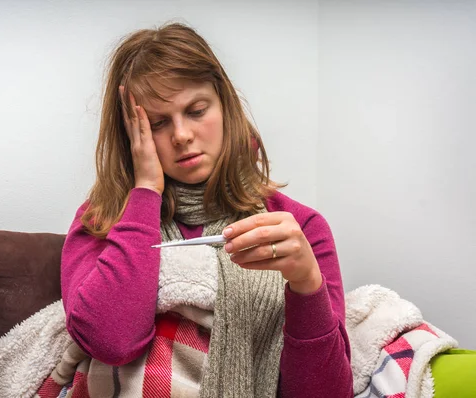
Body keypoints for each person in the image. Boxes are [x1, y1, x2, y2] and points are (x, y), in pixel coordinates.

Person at [61, 22, 353, 397]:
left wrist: (306, 282)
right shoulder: (102, 220)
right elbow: (110, 342)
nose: (181, 135)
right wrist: (146, 191)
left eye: (196, 110)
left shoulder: (300, 227)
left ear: (225, 105)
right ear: (130, 134)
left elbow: (327, 392)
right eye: (158, 123)